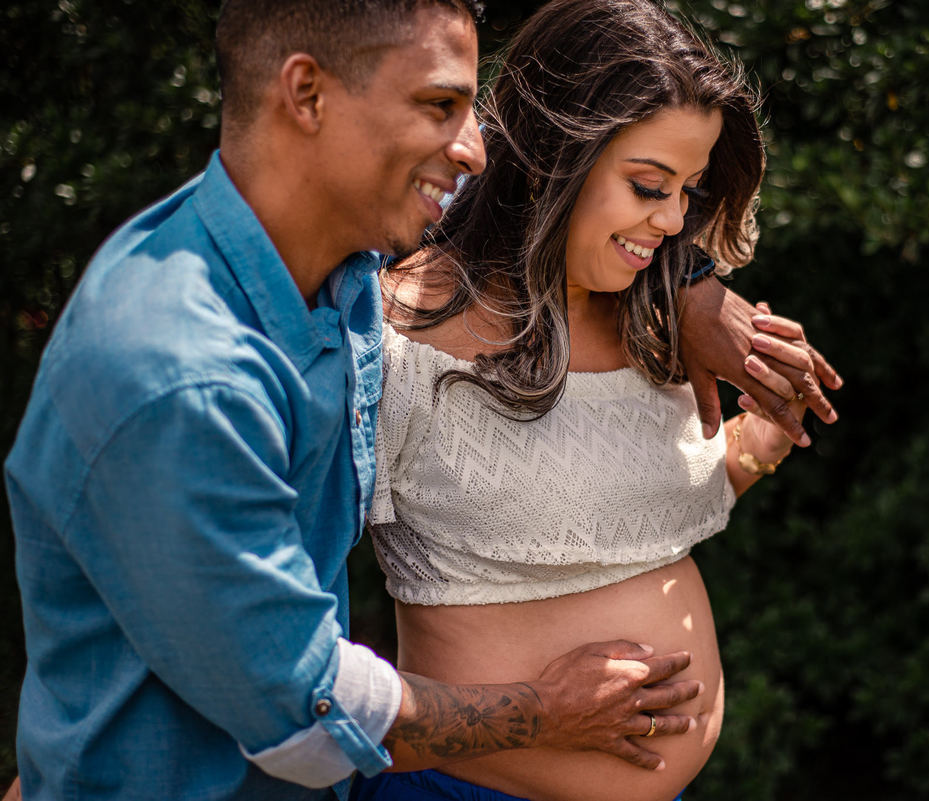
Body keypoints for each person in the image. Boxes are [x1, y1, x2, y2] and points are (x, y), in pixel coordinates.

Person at [4, 0, 838, 799]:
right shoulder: (181, 379)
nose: (474, 148)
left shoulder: (338, 265)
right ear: (307, 94)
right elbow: (306, 711)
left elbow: (539, 176)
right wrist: (544, 711)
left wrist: (691, 286)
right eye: (440, 106)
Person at [356, 1, 841, 800]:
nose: (674, 220)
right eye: (649, 185)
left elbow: (623, 510)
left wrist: (766, 432)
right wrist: (537, 712)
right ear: (551, 154)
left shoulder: (651, 317)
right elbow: (286, 635)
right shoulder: (396, 336)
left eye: (688, 190)